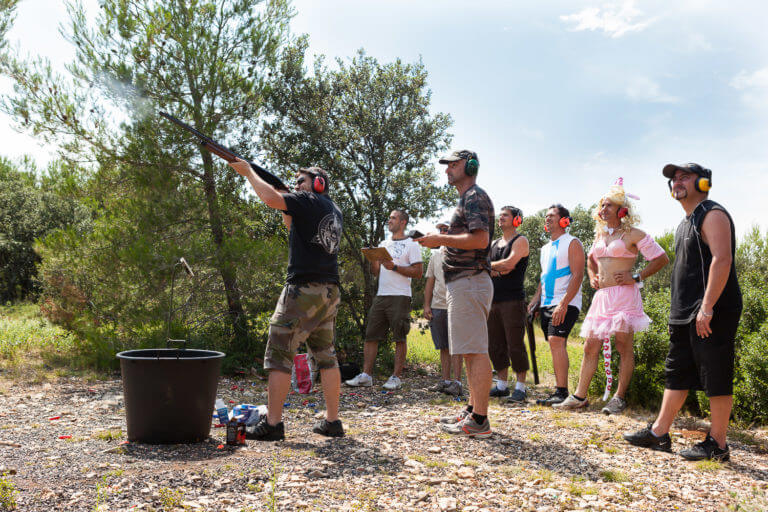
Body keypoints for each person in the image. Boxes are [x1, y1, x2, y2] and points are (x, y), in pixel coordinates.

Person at [625, 163, 742, 461]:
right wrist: (680, 313)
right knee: (676, 373)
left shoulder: (712, 213)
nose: (677, 182)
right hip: (685, 313)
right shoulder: (684, 223)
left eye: (684, 177)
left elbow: (722, 260)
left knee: (716, 375)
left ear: (703, 183)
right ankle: (659, 433)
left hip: (711, 310)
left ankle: (718, 444)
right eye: (674, 179)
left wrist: (707, 307)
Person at [228, 159, 344, 441]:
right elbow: (288, 219)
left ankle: (274, 424)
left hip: (302, 290)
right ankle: (332, 421)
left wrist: (249, 173)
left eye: (301, 180)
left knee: (279, 353)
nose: (296, 185)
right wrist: (285, 192)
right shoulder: (332, 209)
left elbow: (270, 199)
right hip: (328, 291)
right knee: (327, 357)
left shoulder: (308, 199)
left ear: (318, 183)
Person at [554, 179, 668, 414]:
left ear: (622, 210)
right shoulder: (600, 235)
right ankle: (579, 396)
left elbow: (661, 259)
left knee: (623, 344)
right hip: (603, 297)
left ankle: (619, 397)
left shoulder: (634, 234)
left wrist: (636, 277)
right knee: (589, 346)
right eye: (602, 205)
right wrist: (592, 275)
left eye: (608, 205)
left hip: (625, 295)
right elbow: (589, 260)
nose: (602, 209)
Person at [417, 149, 495, 438]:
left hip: (469, 280)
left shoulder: (474, 196)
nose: (447, 169)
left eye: (453, 164)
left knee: (475, 351)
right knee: (470, 349)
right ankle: (473, 411)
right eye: (446, 165)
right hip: (465, 282)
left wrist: (440, 238)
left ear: (470, 165)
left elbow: (480, 239)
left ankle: (480, 421)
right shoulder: (468, 198)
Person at [345, 210, 423, 390]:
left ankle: (395, 377)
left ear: (403, 222)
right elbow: (376, 272)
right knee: (371, 335)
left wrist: (395, 266)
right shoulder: (384, 243)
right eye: (389, 217)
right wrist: (374, 260)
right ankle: (366, 375)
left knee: (399, 337)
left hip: (400, 296)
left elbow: (418, 272)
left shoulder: (412, 244)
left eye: (393, 218)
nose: (389, 220)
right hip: (381, 295)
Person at [528, 204, 584, 406]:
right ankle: (560, 392)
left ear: (564, 221)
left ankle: (561, 392)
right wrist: (535, 300)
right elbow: (544, 278)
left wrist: (563, 303)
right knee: (555, 343)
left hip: (565, 301)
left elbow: (578, 275)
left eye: (552, 216)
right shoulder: (545, 249)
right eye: (546, 216)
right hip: (546, 303)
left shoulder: (573, 242)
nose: (547, 219)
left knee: (555, 340)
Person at [487, 206, 531, 403]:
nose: (500, 217)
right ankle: (502, 385)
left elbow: (509, 265)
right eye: (500, 215)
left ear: (516, 220)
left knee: (515, 344)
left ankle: (521, 387)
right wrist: (496, 269)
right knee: (495, 344)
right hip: (492, 300)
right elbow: (487, 268)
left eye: (505, 215)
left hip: (513, 301)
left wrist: (492, 268)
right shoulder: (494, 243)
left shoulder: (521, 241)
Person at [424, 220, 464, 396]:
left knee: (457, 346)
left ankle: (457, 383)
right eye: (440, 230)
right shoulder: (434, 256)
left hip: (457, 306)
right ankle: (445, 381)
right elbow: (430, 282)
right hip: (438, 306)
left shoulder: (462, 254)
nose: (443, 232)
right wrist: (426, 305)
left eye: (446, 230)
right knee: (443, 347)